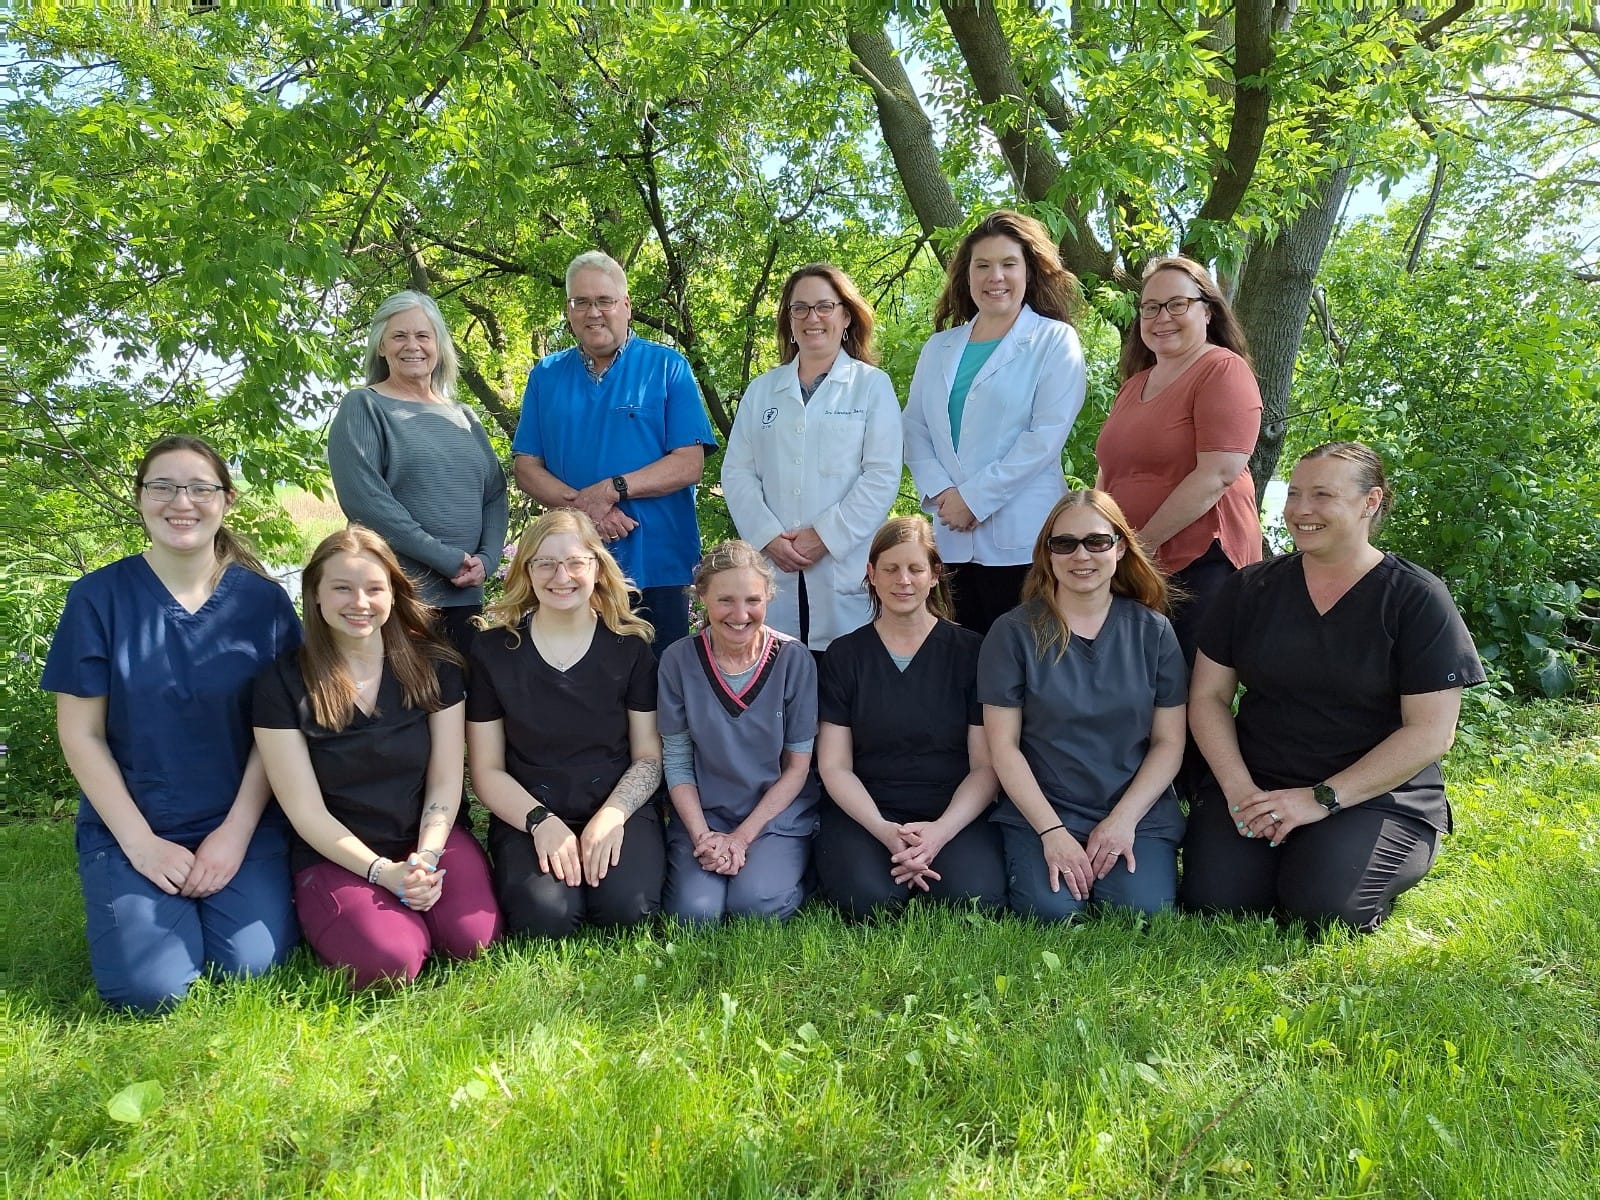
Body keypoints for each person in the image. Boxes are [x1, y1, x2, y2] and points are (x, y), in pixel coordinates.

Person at [42, 435, 301, 1012]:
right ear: (139, 499)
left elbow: (277, 736)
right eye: (162, 486)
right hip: (135, 824)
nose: (180, 502)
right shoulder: (97, 599)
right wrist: (141, 846)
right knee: (149, 991)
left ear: (226, 501)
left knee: (250, 970)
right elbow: (79, 733)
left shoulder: (263, 604)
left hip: (241, 821)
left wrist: (234, 835)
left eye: (200, 488)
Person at [1180, 443, 1485, 931]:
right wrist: (1239, 790)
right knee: (1219, 902)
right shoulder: (1250, 589)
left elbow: (1431, 732)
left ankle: (1342, 851)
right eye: (1295, 494)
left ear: (1370, 502)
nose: (1302, 510)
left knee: (1326, 909)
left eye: (1323, 495)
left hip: (1374, 793)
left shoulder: (1416, 598)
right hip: (1258, 783)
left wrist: (1320, 799)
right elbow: (1209, 697)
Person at [253, 527, 501, 988]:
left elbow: (446, 781)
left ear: (393, 593)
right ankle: (352, 914)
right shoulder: (281, 684)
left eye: (374, 588)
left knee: (472, 941)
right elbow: (303, 809)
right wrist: (382, 872)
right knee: (391, 961)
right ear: (316, 596)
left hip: (427, 837)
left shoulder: (436, 668)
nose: (359, 602)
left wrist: (425, 857)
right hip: (336, 852)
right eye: (342, 588)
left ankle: (416, 905)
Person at [979, 491, 1188, 919]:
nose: (1081, 555)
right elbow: (1003, 747)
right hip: (1046, 807)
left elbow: (1169, 742)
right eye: (1065, 543)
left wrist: (1123, 821)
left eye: (1096, 541)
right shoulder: (1013, 633)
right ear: (1048, 553)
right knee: (1052, 911)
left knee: (1142, 913)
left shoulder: (1155, 632)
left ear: (1121, 546)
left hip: (1133, 805)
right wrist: (1051, 830)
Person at [467, 511, 666, 937]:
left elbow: (649, 756)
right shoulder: (493, 651)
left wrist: (612, 815)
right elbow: (486, 769)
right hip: (531, 809)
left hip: (616, 804)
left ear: (596, 566)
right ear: (527, 571)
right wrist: (540, 822)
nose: (562, 576)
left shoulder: (629, 648)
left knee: (626, 911)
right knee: (547, 918)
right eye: (545, 563)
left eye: (575, 562)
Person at [512, 251, 719, 652]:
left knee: (660, 694)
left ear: (626, 306)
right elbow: (526, 466)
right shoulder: (546, 376)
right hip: (571, 570)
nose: (594, 313)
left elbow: (688, 464)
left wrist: (612, 489)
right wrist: (586, 510)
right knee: (582, 696)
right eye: (581, 302)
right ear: (569, 311)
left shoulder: (667, 367)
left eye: (604, 301)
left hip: (657, 565)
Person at [903, 209, 1088, 636]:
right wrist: (945, 493)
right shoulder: (939, 347)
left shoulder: (1053, 340)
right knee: (964, 669)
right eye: (982, 266)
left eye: (1008, 264)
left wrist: (974, 499)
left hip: (1023, 540)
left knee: (1026, 666)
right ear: (966, 276)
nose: (995, 277)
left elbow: (1044, 436)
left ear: (1030, 271)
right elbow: (913, 427)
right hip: (951, 540)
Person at [815, 517, 1005, 918]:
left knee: (972, 899)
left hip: (951, 809)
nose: (903, 580)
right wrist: (885, 831)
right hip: (868, 809)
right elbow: (834, 766)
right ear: (871, 574)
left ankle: (934, 857)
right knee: (869, 902)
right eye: (890, 569)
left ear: (934, 575)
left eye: (915, 568)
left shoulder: (972, 652)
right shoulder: (844, 656)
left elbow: (985, 767)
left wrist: (938, 834)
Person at [722, 263, 902, 651]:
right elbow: (737, 473)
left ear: (846, 315)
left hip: (843, 569)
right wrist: (768, 537)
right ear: (789, 320)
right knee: (779, 684)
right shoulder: (762, 391)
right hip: (774, 565)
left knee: (843, 693)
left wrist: (825, 536)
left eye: (824, 306)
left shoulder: (871, 386)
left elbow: (882, 476)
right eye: (799, 308)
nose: (812, 318)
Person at [1095, 256, 1263, 662]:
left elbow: (1217, 475)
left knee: (1186, 697)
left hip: (1201, 565)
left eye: (1176, 304)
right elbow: (1108, 474)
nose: (1161, 317)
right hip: (1134, 567)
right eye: (1150, 307)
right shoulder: (1134, 384)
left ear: (1207, 310)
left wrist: (1138, 548)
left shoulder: (1222, 370)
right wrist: (1098, 542)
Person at [328, 290, 509, 659]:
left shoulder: (464, 416)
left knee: (467, 708)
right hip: (400, 598)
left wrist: (487, 561)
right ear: (380, 346)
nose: (413, 346)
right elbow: (367, 503)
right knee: (412, 707)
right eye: (399, 336)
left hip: (466, 597)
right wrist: (444, 558)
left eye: (423, 336)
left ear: (439, 346)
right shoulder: (364, 406)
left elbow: (494, 494)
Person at [658, 541, 819, 921]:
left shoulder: (794, 660)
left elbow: (797, 768)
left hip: (774, 816)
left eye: (752, 600)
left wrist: (741, 838)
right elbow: (678, 762)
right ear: (702, 597)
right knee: (693, 914)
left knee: (755, 906)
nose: (740, 614)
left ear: (768, 598)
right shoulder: (678, 660)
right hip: (704, 814)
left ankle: (793, 866)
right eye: (726, 600)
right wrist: (703, 836)